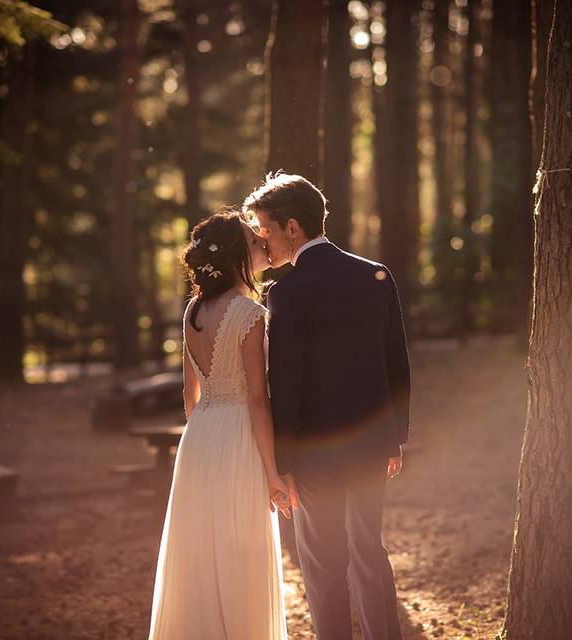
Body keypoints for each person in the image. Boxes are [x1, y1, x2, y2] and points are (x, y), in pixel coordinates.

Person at [245, 172, 411, 640]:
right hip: (372, 444)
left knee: (322, 564)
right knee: (369, 552)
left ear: (292, 228)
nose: (264, 240)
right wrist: (394, 438)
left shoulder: (288, 292)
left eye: (266, 230)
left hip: (316, 453)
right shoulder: (374, 274)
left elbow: (288, 382)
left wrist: (285, 461)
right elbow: (396, 360)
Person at [148, 211, 290, 640]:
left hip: (201, 437)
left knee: (201, 550)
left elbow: (190, 397)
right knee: (239, 547)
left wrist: (203, 438)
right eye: (253, 242)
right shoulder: (249, 313)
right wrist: (272, 473)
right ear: (234, 260)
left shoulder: (194, 309)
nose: (262, 245)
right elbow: (257, 399)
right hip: (239, 435)